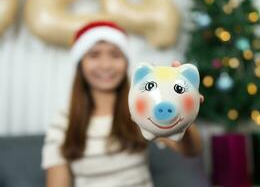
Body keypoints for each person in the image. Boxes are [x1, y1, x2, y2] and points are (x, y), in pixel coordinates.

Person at [41, 21, 204, 187]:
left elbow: (192, 151)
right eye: (94, 55)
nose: (106, 65)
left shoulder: (141, 109)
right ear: (80, 64)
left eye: (115, 55)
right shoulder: (63, 122)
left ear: (126, 63)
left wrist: (182, 113)